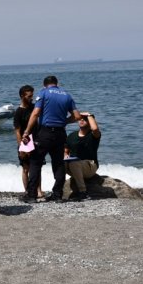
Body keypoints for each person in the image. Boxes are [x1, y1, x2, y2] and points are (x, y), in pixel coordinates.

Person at [21, 75, 82, 203]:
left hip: (45, 133)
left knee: (35, 162)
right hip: (60, 134)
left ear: (45, 85)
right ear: (56, 83)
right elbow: (77, 116)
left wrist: (26, 131)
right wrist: (64, 121)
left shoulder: (43, 93)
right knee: (58, 163)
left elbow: (36, 113)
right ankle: (57, 195)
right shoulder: (67, 95)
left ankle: (32, 195)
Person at [13, 85, 43, 199]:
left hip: (37, 140)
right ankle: (27, 190)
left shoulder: (34, 108)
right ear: (22, 96)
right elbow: (17, 131)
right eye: (29, 96)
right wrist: (21, 146)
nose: (31, 97)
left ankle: (39, 191)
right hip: (25, 142)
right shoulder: (19, 112)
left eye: (32, 95)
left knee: (37, 167)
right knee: (26, 168)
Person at [65, 112, 101, 200]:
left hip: (90, 165)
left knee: (74, 163)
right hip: (73, 165)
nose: (81, 120)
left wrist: (89, 115)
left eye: (85, 119)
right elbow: (65, 151)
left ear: (89, 121)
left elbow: (95, 128)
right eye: (80, 118)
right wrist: (65, 155)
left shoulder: (93, 135)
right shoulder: (72, 135)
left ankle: (83, 192)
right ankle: (58, 191)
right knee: (58, 161)